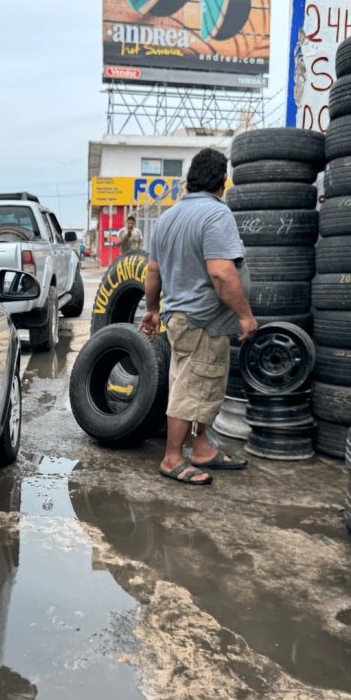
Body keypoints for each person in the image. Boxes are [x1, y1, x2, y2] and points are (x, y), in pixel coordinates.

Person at [139, 148, 259, 486]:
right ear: (222, 182)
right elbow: (222, 273)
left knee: (196, 385)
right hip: (203, 321)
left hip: (180, 319)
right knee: (193, 388)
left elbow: (153, 271)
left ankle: (202, 448)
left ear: (190, 180)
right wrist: (246, 316)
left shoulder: (168, 217)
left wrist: (152, 309)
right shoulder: (215, 215)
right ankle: (173, 458)